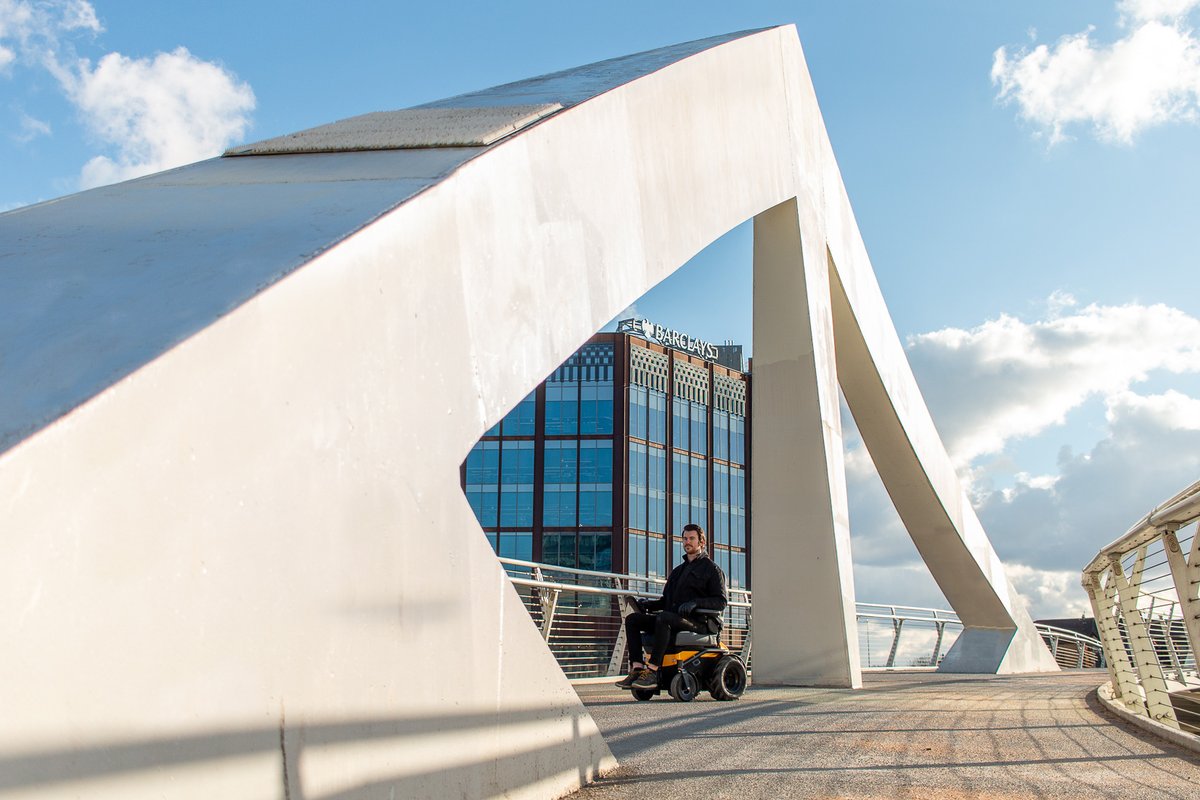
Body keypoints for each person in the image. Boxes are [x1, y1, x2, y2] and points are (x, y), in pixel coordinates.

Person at [616, 523, 727, 690]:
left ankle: (652, 671)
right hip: (674, 619)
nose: (687, 542)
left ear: (701, 542)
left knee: (664, 619)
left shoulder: (712, 570)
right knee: (633, 620)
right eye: (685, 538)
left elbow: (721, 601)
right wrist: (648, 605)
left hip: (700, 623)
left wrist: (696, 603)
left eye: (691, 538)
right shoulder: (678, 571)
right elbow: (665, 601)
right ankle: (637, 669)